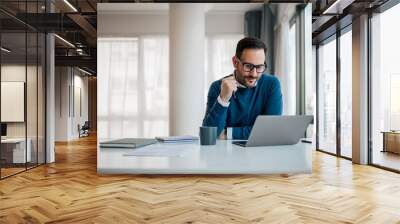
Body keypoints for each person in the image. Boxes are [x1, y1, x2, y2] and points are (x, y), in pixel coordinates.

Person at [202, 37, 283, 140]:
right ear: (235, 62)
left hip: (261, 153)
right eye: (248, 66)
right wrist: (223, 99)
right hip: (225, 154)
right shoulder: (217, 87)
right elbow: (208, 136)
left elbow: (272, 130)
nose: (254, 74)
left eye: (259, 67)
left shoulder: (272, 84)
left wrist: (229, 134)